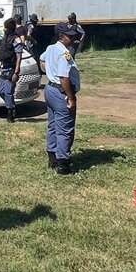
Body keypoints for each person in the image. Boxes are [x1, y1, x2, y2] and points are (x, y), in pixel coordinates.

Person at [40, 22, 81, 175]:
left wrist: (49, 70)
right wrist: (70, 97)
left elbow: (42, 59)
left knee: (53, 124)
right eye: (68, 35)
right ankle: (63, 164)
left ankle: (52, 157)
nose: (72, 37)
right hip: (60, 92)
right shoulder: (64, 53)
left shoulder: (51, 48)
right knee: (65, 128)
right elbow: (64, 77)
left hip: (50, 89)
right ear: (60, 36)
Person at [0, 18, 22, 123]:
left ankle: (10, 114)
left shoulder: (16, 39)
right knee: (1, 91)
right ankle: (13, 107)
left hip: (12, 68)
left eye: (5, 27)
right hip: (4, 68)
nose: (4, 28)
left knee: (8, 92)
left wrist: (16, 72)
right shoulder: (5, 38)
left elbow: (19, 57)